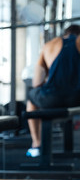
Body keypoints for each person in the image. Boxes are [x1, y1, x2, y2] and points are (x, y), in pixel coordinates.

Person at [26, 24, 80, 157]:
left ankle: (36, 145)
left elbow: (36, 83)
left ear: (64, 33)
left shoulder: (49, 45)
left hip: (52, 99)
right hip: (77, 98)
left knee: (31, 98)